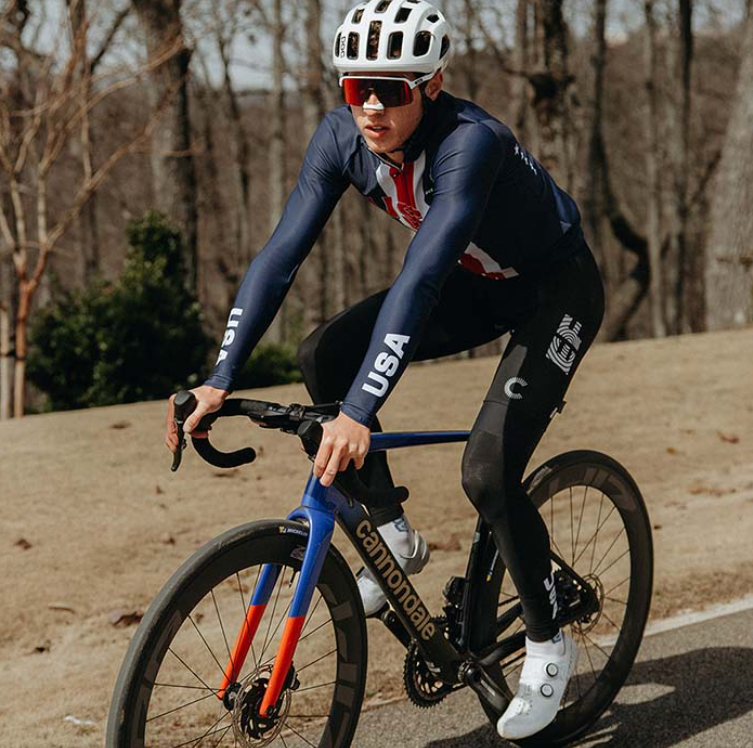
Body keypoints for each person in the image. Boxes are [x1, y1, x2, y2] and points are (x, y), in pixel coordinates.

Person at [165, 0, 604, 739]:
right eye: (355, 88)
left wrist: (360, 411)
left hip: (554, 290)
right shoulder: (342, 136)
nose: (370, 106)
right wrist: (220, 376)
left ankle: (546, 640)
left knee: (487, 471)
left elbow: (420, 278)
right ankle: (392, 531)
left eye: (390, 90)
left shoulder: (471, 142)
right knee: (322, 354)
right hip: (478, 283)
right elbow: (279, 257)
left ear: (432, 85)